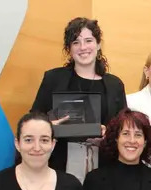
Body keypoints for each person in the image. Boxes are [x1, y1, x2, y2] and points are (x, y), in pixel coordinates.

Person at [31, 17, 127, 180]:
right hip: (58, 168)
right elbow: (33, 119)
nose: (83, 47)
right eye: (76, 42)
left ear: (98, 45)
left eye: (88, 40)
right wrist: (48, 125)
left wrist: (107, 136)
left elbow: (123, 128)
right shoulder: (53, 78)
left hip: (103, 170)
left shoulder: (114, 84)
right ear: (69, 48)